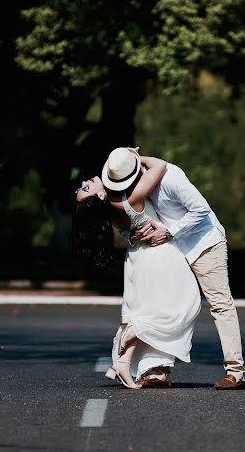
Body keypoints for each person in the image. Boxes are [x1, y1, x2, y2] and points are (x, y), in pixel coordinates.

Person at [111, 147, 245, 390]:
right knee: (161, 306)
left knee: (220, 304)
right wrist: (131, 236)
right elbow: (129, 220)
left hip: (204, 245)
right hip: (173, 251)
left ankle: (235, 372)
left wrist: (169, 231)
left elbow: (201, 209)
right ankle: (158, 372)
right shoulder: (135, 188)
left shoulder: (170, 177)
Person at [71, 149, 201, 389]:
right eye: (85, 188)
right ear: (100, 195)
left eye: (81, 186)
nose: (84, 182)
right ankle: (134, 333)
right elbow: (160, 166)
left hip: (137, 261)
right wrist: (133, 158)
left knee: (150, 309)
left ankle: (125, 360)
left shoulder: (111, 210)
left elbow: (127, 230)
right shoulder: (131, 199)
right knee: (184, 305)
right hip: (159, 256)